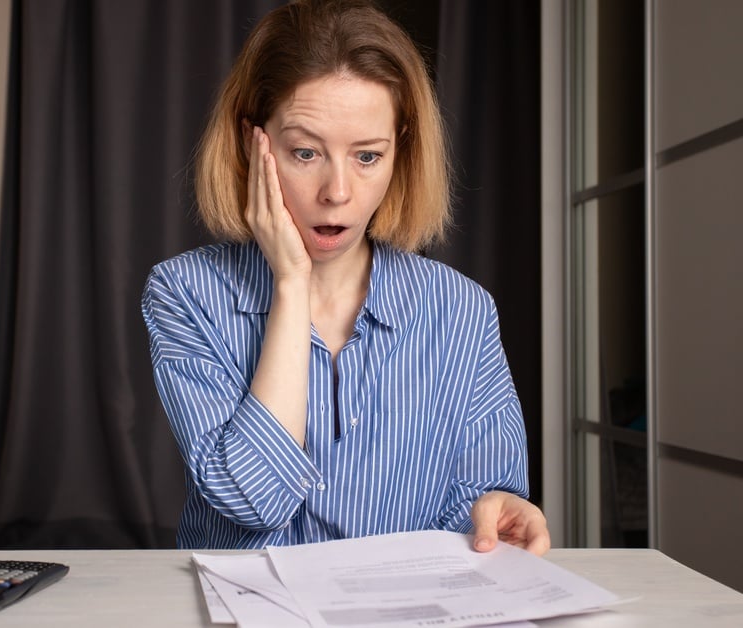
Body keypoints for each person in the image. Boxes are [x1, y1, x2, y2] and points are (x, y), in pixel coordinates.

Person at [141, 0, 549, 555]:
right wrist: (290, 283)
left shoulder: (461, 309)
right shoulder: (185, 294)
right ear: (251, 141)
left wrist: (492, 509)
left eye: (367, 156)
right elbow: (254, 500)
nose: (337, 192)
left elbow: (484, 494)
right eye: (305, 153)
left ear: (400, 150)